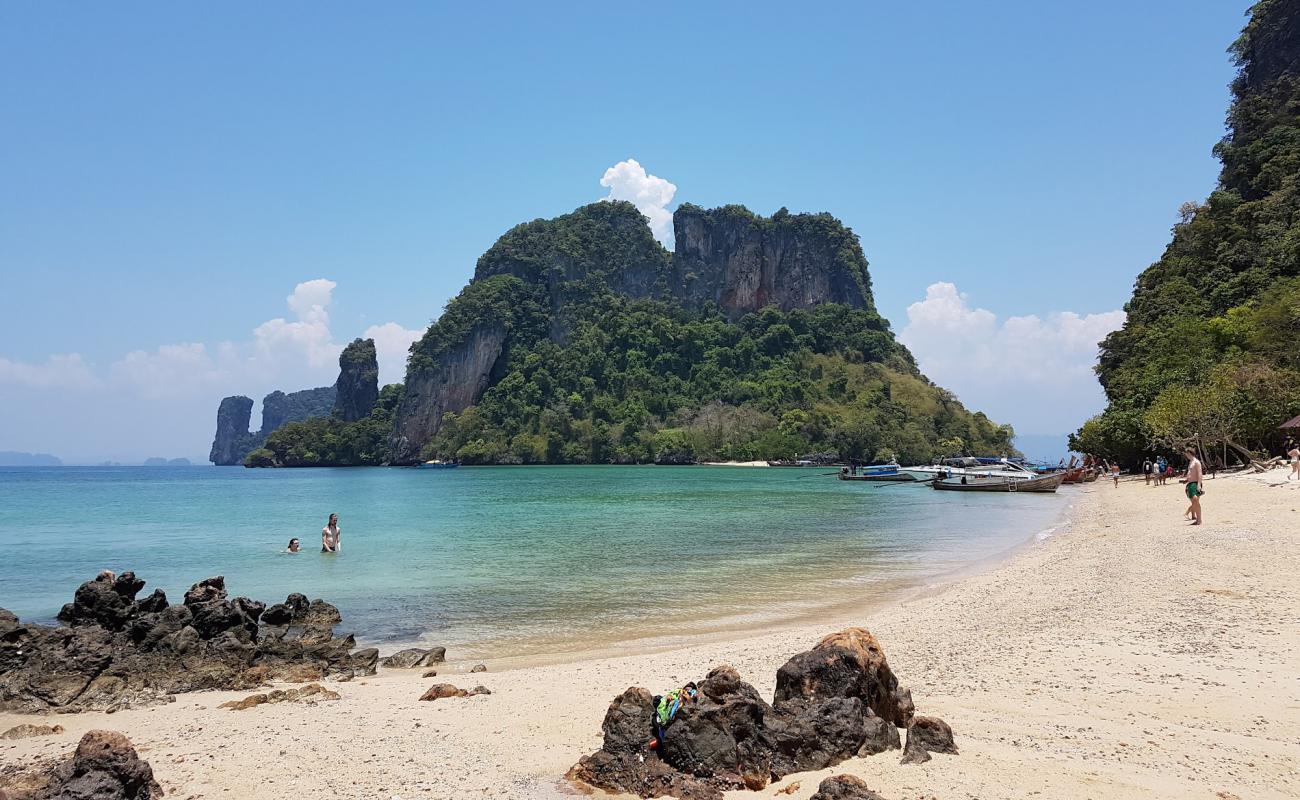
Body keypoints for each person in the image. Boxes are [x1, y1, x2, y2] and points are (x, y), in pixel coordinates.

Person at [1183, 448, 1204, 525]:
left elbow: (1199, 473)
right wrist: (1186, 480)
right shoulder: (1191, 462)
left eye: (1186, 453)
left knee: (1195, 501)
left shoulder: (1196, 462)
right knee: (1194, 501)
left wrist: (1199, 484)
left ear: (1189, 453)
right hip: (1190, 483)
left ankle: (1199, 519)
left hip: (1195, 483)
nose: (1186, 455)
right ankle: (1196, 518)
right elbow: (1191, 473)